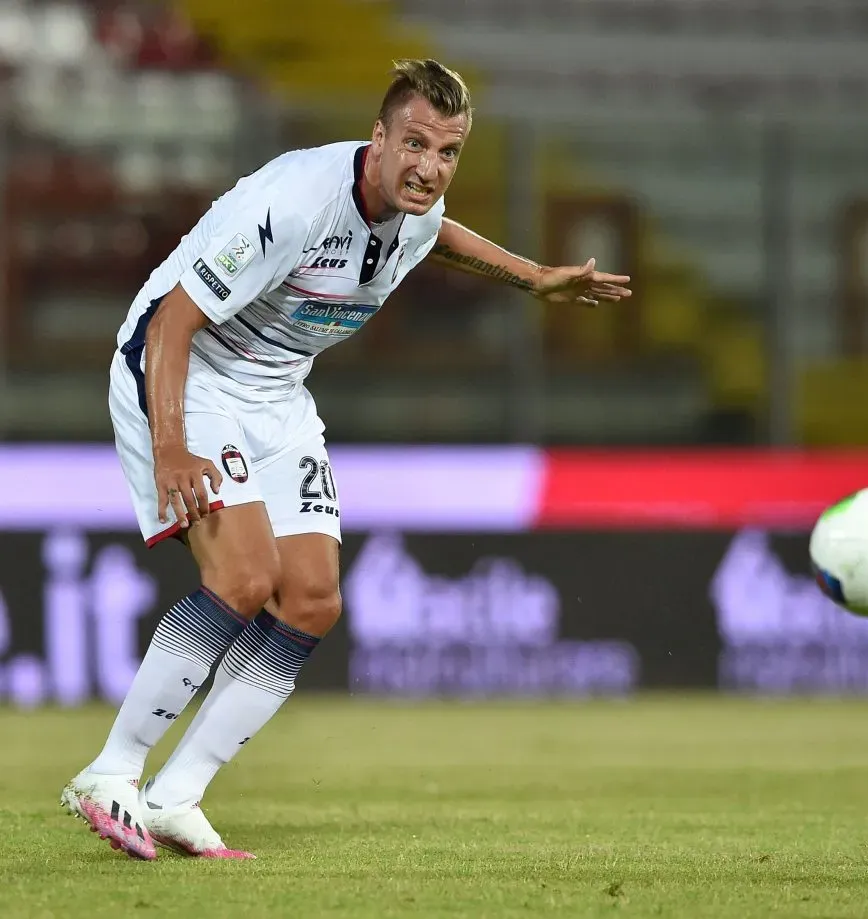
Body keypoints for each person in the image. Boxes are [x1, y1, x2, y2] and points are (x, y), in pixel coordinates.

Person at [60, 58, 632, 861]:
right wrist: (172, 446)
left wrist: (534, 276)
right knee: (243, 577)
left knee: (313, 598)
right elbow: (172, 323)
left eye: (449, 151)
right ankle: (112, 771)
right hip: (185, 373)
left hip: (277, 395)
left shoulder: (413, 206)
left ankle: (176, 795)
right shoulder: (295, 203)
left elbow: (439, 237)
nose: (430, 167)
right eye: (415, 143)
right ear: (376, 137)